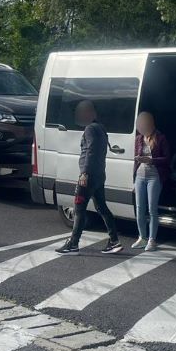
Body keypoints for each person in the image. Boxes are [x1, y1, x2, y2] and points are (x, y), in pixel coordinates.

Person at [56, 100, 122, 255]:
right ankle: (114, 240)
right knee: (101, 207)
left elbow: (91, 151)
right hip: (99, 175)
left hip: (89, 175)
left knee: (79, 209)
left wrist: (84, 173)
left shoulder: (90, 129)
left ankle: (73, 244)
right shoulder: (101, 128)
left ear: (90, 114)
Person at [132, 111, 169, 251]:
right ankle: (142, 237)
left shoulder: (161, 138)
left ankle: (152, 240)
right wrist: (134, 180)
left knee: (152, 209)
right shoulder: (138, 139)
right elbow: (135, 162)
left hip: (154, 176)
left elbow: (167, 159)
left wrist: (151, 160)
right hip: (140, 176)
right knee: (139, 209)